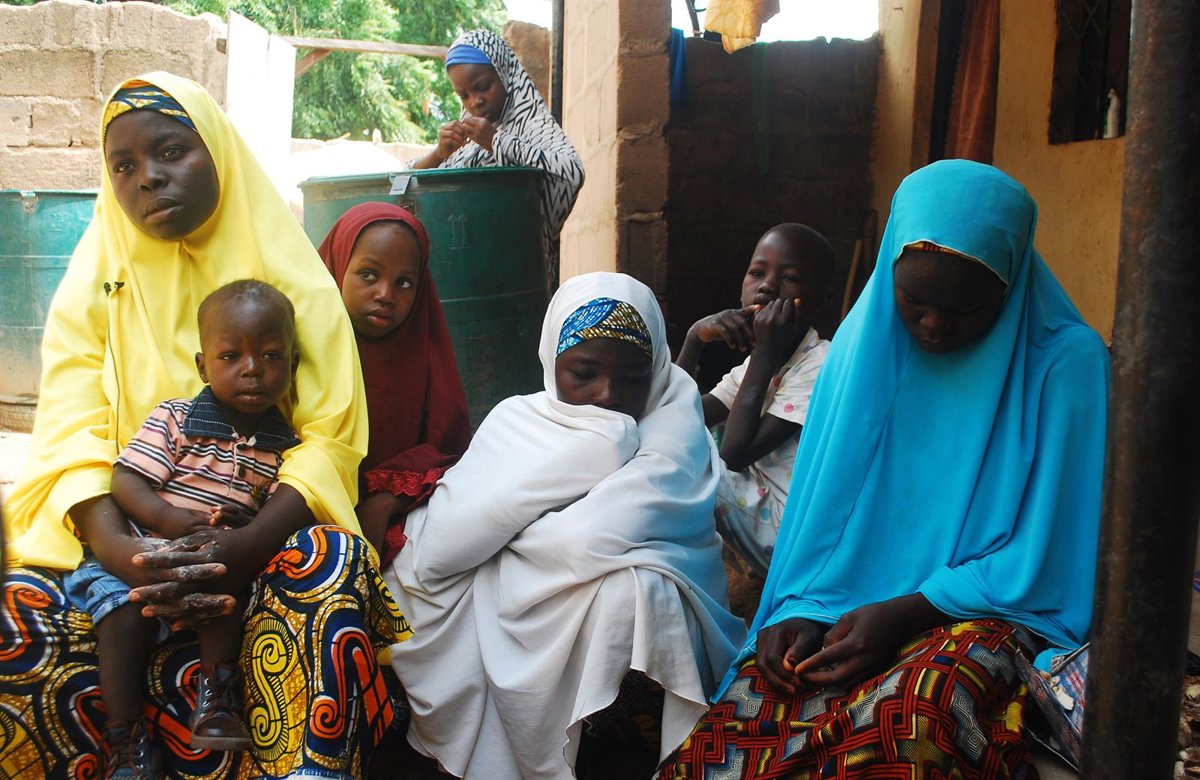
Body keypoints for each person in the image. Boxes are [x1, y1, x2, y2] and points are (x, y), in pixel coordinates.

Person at [0, 73, 409, 780]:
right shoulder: (95, 282)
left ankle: (298, 766)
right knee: (15, 612)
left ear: (218, 152)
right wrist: (124, 550)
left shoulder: (294, 285)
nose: (147, 179)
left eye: (170, 152)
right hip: (123, 534)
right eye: (123, 166)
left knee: (332, 569)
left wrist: (243, 546)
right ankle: (120, 752)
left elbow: (329, 441)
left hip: (254, 533)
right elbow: (71, 432)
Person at [658, 159, 1110, 778]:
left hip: (988, 610)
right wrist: (800, 605)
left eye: (968, 308)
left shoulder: (1067, 366)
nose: (935, 326)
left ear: (1011, 286)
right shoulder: (863, 349)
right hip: (849, 598)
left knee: (916, 714)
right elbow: (825, 519)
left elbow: (1049, 555)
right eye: (915, 300)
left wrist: (905, 613)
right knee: (754, 708)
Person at [385, 272, 747, 779]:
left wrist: (506, 537)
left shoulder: (673, 418)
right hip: (505, 591)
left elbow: (583, 540)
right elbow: (439, 551)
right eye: (583, 372)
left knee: (639, 594)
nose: (607, 395)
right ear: (550, 360)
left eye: (632, 378)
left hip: (573, 593)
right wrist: (600, 450)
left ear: (657, 370)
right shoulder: (516, 419)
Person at [65, 280, 302, 760]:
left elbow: (266, 517)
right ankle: (124, 740)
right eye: (230, 356)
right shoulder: (176, 419)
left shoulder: (285, 448)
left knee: (224, 598)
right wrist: (168, 517)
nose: (252, 369)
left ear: (294, 365)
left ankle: (217, 700)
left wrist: (241, 520)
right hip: (142, 556)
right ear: (202, 366)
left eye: (272, 356)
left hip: (211, 562)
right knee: (123, 616)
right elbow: (126, 480)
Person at [675, 223, 835, 579]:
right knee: (669, 439)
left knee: (674, 463)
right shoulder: (760, 364)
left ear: (820, 303)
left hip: (794, 539)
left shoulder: (821, 364)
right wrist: (694, 339)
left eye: (789, 277)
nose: (766, 286)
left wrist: (765, 351)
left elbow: (734, 453)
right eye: (757, 273)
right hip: (764, 519)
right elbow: (673, 417)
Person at [318, 202, 471, 563]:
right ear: (338, 265)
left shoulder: (424, 354)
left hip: (401, 519)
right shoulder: (301, 348)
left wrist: (387, 502)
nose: (386, 294)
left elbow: (451, 451)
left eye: (404, 283)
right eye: (368, 275)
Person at [410, 29, 584, 288]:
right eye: (464, 95)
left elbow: (571, 172)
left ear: (505, 74)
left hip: (516, 283)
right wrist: (438, 155)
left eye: (482, 87)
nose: (475, 102)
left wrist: (496, 142)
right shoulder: (465, 141)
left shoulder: (532, 126)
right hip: (460, 282)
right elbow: (404, 184)